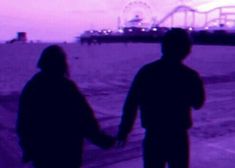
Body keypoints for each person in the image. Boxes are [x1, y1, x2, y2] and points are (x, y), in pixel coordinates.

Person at [117, 28, 205, 168]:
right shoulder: (190, 76)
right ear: (186, 50)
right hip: (178, 136)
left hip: (154, 135)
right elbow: (198, 103)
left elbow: (131, 103)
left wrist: (124, 131)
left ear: (163, 47)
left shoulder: (147, 71)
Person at [16, 45, 114, 168]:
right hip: (68, 149)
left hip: (42, 151)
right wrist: (101, 139)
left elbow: (24, 122)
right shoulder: (67, 87)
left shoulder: (33, 87)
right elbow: (84, 117)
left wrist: (28, 148)